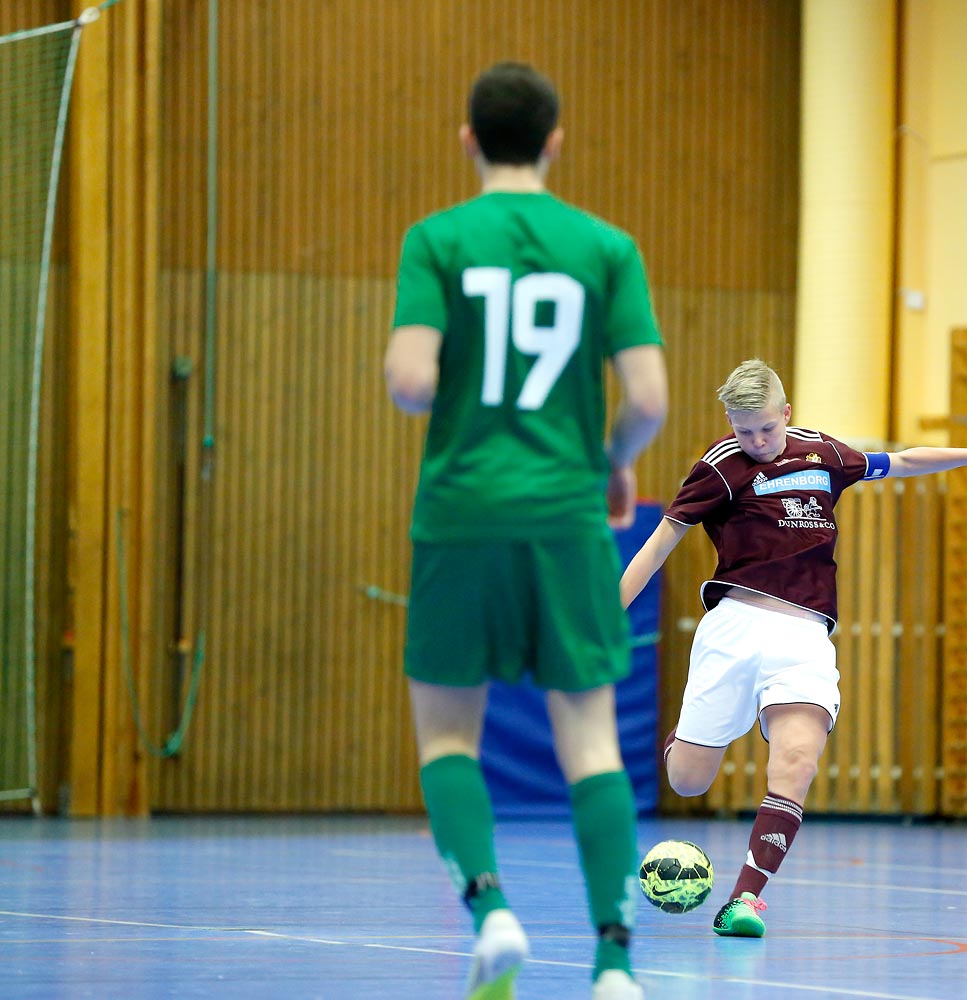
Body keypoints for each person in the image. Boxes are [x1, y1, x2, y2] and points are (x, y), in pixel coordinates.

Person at [385, 61, 667, 1000]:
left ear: (468, 141)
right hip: (565, 514)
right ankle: (616, 959)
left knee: (447, 741)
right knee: (591, 743)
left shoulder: (436, 240)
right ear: (556, 141)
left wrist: (433, 374)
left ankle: (489, 907)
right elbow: (651, 400)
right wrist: (615, 459)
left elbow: (412, 382)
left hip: (461, 511)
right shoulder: (605, 247)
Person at [618, 359, 967, 937]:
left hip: (806, 637)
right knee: (689, 779)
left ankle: (743, 902)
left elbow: (904, 460)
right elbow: (661, 543)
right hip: (735, 628)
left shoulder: (824, 455)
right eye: (743, 430)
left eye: (766, 427)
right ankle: (685, 738)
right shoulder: (720, 468)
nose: (757, 441)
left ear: (786, 413)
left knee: (798, 761)